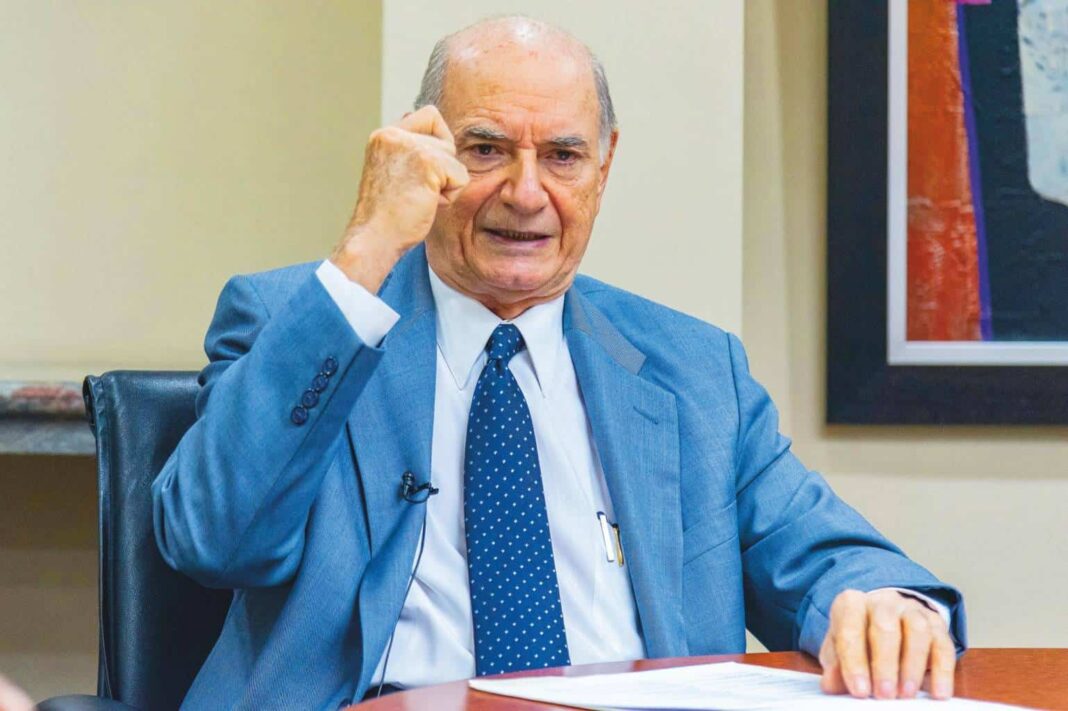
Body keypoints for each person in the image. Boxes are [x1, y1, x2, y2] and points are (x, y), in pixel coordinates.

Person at [152, 16, 965, 709]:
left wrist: (884, 606)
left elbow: (828, 556)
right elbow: (214, 538)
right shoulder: (308, 322)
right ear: (424, 152)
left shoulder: (693, 371)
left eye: (563, 157)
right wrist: (366, 247)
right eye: (486, 149)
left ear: (604, 166)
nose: (525, 191)